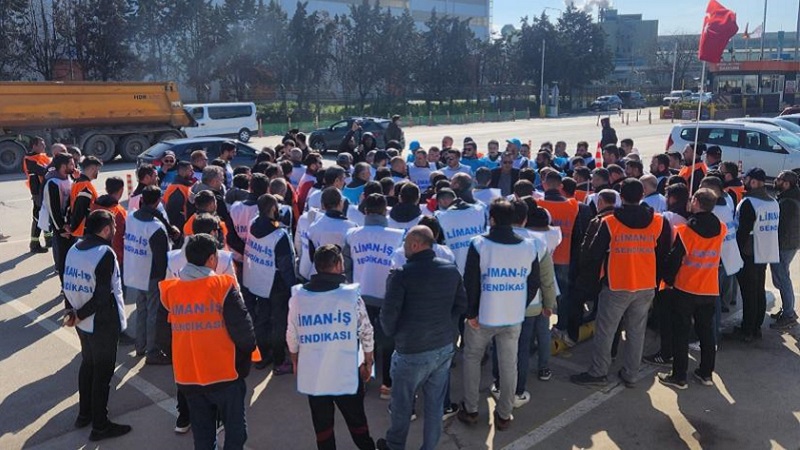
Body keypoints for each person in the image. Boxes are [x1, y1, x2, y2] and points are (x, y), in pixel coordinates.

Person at [159, 234, 256, 450]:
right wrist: (242, 364)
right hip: (224, 375)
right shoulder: (222, 285)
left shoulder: (172, 290)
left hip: (189, 377)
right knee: (236, 433)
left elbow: (164, 336)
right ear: (212, 259)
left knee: (203, 436)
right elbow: (245, 333)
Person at [571, 179, 670, 387]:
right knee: (636, 331)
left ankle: (599, 372)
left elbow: (593, 253)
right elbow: (663, 252)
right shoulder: (658, 220)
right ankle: (631, 373)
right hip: (645, 283)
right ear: (642, 195)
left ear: (621, 197)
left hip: (616, 284)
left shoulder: (610, 222)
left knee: (606, 330)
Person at [376, 226, 467, 450]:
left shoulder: (402, 275)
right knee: (435, 406)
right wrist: (447, 327)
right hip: (443, 347)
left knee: (402, 406)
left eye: (406, 243)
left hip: (411, 350)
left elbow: (387, 317)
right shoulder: (450, 270)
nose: (404, 248)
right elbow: (461, 305)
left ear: (416, 244)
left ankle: (395, 446)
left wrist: (397, 334)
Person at [458, 199, 543, 431]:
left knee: (473, 359)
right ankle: (504, 414)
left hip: (483, 316)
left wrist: (471, 313)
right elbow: (533, 282)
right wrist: (518, 304)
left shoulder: (479, 244)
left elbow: (471, 282)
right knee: (509, 364)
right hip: (513, 316)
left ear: (492, 219)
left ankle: (471, 409)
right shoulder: (528, 246)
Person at [287, 244, 376, 450]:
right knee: (358, 424)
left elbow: (292, 334)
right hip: (345, 373)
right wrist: (368, 363)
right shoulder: (351, 295)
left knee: (323, 429)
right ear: (337, 265)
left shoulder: (299, 297)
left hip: (314, 375)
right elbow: (367, 331)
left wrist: (295, 361)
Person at [62, 210, 131, 441]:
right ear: (105, 230)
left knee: (88, 365)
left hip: (82, 320)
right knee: (103, 374)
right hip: (101, 321)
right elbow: (102, 296)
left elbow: (67, 282)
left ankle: (85, 414)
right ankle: (100, 426)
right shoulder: (104, 253)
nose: (115, 231)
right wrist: (79, 314)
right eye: (113, 227)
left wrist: (72, 314)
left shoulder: (74, 248)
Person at [489, 200, 557, 406]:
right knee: (522, 349)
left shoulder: (489, 241)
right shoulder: (538, 243)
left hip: (498, 304)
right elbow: (547, 279)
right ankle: (517, 391)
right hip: (530, 306)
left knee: (499, 346)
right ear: (525, 219)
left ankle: (500, 385)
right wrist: (549, 304)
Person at [657, 188, 726, 390]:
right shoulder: (720, 228)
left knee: (681, 332)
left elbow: (674, 259)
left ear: (695, 202)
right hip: (709, 288)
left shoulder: (685, 231)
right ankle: (705, 373)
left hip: (686, 288)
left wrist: (666, 280)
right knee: (706, 333)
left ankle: (679, 376)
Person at [342, 194, 405, 402]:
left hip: (360, 295)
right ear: (385, 209)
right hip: (387, 297)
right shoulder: (398, 235)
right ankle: (387, 384)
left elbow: (346, 267)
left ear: (365, 211)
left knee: (361, 340)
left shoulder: (352, 234)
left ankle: (361, 382)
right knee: (388, 342)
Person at [242, 194, 297, 374]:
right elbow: (286, 265)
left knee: (261, 319)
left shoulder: (253, 223)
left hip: (256, 279)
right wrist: (293, 288)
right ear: (273, 209)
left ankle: (262, 356)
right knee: (279, 323)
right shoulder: (279, 236)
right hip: (275, 283)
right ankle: (279, 361)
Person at [729, 168, 780, 342]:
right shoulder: (773, 202)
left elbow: (743, 231)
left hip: (749, 252)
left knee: (749, 292)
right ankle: (756, 326)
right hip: (765, 251)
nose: (744, 181)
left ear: (753, 182)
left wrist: (735, 250)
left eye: (747, 179)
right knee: (758, 290)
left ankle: (748, 329)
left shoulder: (749, 203)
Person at [124, 186, 171, 364]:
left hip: (135, 272)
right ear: (158, 201)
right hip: (151, 275)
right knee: (153, 314)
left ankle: (140, 346)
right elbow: (161, 258)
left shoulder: (131, 217)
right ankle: (152, 351)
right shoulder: (155, 227)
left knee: (142, 310)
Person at [537, 172, 585, 333]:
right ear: (561, 186)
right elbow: (578, 234)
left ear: (544, 185)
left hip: (542, 257)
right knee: (563, 295)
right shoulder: (573, 205)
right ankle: (562, 325)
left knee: (541, 294)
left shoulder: (538, 204)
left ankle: (541, 328)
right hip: (564, 257)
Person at [770, 170, 800, 330]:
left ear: (787, 183)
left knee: (782, 278)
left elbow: (781, 227)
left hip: (785, 244)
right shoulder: (790, 197)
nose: (776, 181)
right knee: (781, 277)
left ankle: (788, 314)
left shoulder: (788, 202)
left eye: (779, 179)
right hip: (789, 243)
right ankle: (787, 309)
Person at [434, 188, 487, 274]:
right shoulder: (480, 210)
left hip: (455, 271)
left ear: (442, 201)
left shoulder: (440, 217)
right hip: (479, 268)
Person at [306, 188, 358, 274]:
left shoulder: (313, 226)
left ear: (322, 205)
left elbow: (312, 257)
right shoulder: (352, 227)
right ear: (341, 203)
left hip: (318, 275)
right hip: (343, 279)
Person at [41, 153, 75, 282]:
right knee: (63, 256)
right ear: (62, 166)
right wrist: (61, 229)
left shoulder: (69, 178)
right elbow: (53, 209)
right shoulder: (53, 182)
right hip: (61, 227)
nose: (74, 166)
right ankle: (64, 283)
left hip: (69, 224)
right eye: (71, 164)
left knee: (71, 256)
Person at [91, 177, 127, 272]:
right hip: (115, 256)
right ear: (121, 190)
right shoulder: (119, 211)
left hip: (94, 253)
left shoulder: (95, 206)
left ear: (106, 189)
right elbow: (124, 235)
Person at [24, 136, 51, 253]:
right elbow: (44, 171)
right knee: (38, 216)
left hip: (45, 190)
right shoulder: (29, 159)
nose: (44, 146)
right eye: (41, 144)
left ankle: (49, 238)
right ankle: (34, 244)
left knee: (47, 215)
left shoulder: (43, 157)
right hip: (37, 193)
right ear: (34, 146)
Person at [70, 156, 102, 239]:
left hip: (79, 229)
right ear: (92, 169)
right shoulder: (85, 186)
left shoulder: (77, 182)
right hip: (83, 230)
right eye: (97, 170)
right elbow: (80, 210)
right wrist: (74, 228)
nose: (98, 172)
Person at [163, 161, 195, 232]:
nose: (192, 173)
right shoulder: (177, 189)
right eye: (190, 170)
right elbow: (173, 214)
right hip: (179, 228)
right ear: (182, 172)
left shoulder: (183, 186)